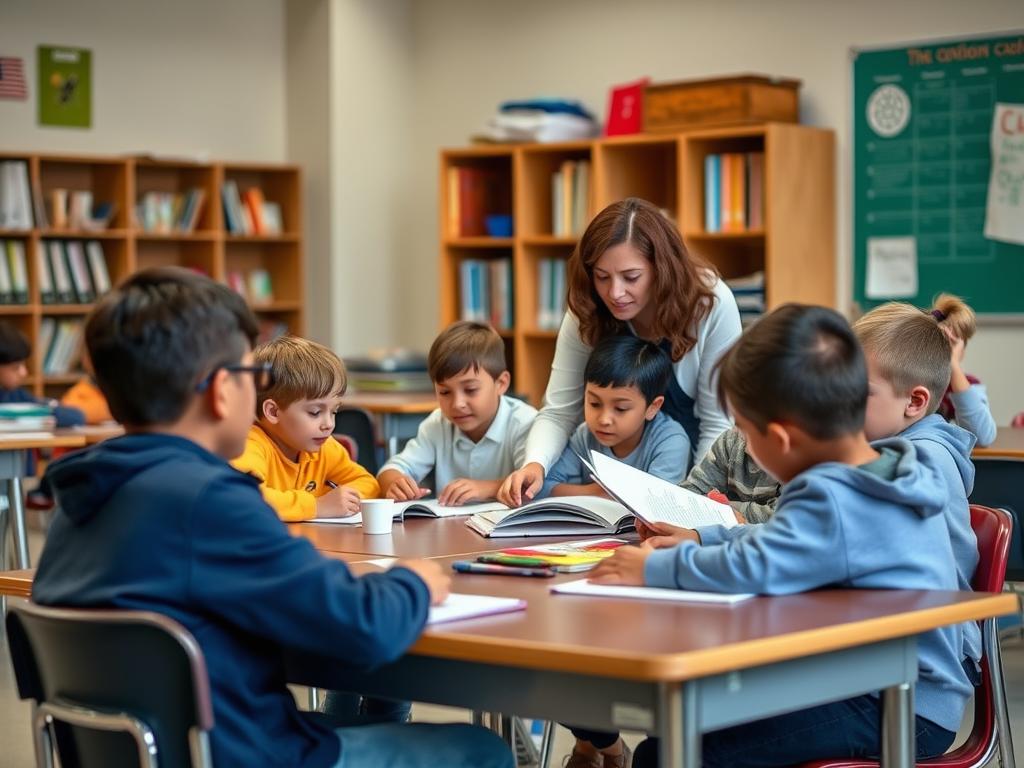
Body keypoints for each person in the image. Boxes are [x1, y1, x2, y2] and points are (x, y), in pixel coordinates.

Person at [32, 267, 513, 768]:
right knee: (480, 750)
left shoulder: (79, 497)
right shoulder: (210, 501)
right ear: (222, 390)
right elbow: (361, 626)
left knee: (364, 718)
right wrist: (412, 582)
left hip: (151, 751)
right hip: (246, 754)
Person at [589, 304, 970, 767]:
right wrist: (704, 539)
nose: (743, 446)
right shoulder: (882, 469)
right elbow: (780, 543)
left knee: (670, 752)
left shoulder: (834, 494)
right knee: (685, 726)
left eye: (747, 434)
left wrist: (655, 567)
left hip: (895, 703)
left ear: (782, 439)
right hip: (881, 682)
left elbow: (760, 565)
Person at [498, 197, 741, 507]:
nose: (615, 293)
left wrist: (690, 506)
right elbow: (560, 411)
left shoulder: (711, 303)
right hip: (615, 497)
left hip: (692, 476)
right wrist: (535, 464)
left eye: (631, 277)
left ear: (661, 269)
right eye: (602, 277)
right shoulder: (587, 309)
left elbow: (717, 423)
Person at [854, 299, 981, 665]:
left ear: (914, 402)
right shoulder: (879, 450)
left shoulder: (920, 463)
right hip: (882, 650)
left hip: (918, 672)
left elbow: (834, 538)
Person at [377, 320, 536, 505]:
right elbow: (391, 470)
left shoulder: (525, 423)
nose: (457, 404)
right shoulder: (437, 424)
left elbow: (534, 485)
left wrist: (485, 488)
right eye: (444, 392)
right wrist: (395, 482)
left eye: (470, 390)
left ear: (501, 384)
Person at [232, 335, 380, 522]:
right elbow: (243, 498)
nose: (329, 424)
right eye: (315, 412)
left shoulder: (325, 447)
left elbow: (369, 483)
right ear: (273, 411)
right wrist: (317, 506)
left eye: (334, 411)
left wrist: (342, 500)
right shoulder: (250, 445)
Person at [539, 334, 688, 499]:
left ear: (652, 407)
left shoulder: (670, 441)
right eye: (594, 403)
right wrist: (597, 492)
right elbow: (544, 487)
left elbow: (656, 502)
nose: (604, 420)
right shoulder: (584, 435)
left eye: (620, 408)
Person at [927, 293, 997, 446]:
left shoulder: (968, 384)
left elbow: (983, 437)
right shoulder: (913, 379)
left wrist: (953, 364)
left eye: (953, 345)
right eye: (941, 343)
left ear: (962, 351)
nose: (946, 351)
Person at [679, 426, 780, 523]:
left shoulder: (791, 462)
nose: (735, 430)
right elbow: (692, 491)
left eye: (743, 423)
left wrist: (723, 507)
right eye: (736, 422)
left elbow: (782, 517)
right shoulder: (730, 440)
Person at [0, 320, 84, 426]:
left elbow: (77, 417)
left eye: (24, 364)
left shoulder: (14, 395)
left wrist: (45, 414)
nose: (24, 373)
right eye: (15, 368)